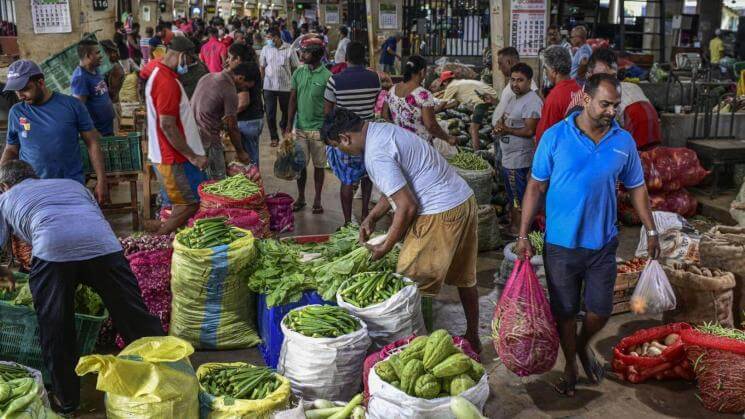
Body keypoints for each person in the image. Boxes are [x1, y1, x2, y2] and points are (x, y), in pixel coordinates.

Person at [516, 74, 660, 397]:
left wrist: (651, 229)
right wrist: (523, 235)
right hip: (561, 245)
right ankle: (570, 364)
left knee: (600, 310)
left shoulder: (623, 142)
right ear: (585, 98)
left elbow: (636, 187)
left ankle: (582, 347)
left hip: (602, 243)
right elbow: (536, 186)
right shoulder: (555, 138)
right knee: (565, 311)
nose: (611, 111)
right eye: (604, 103)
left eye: (615, 105)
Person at [0, 160, 164, 414]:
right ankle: (165, 378)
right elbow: (88, 219)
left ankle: (67, 401)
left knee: (56, 327)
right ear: (34, 175)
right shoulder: (71, 185)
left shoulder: (6, 197)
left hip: (52, 250)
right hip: (104, 246)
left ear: (4, 185)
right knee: (134, 315)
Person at [320, 108, 482, 353]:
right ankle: (473, 337)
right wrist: (372, 217)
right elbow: (395, 187)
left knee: (410, 284)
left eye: (338, 146)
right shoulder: (381, 130)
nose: (342, 152)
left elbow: (407, 207)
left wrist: (385, 246)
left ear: (345, 137)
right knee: (464, 277)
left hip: (439, 211)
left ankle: (421, 353)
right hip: (462, 201)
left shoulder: (375, 155)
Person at [2, 60, 107, 203]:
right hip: (31, 189)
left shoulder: (72, 105)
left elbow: (92, 142)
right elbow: (11, 149)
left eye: (25, 88)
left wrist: (102, 180)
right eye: (16, 90)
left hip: (70, 186)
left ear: (41, 82)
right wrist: (2, 176)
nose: (20, 95)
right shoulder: (16, 112)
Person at [143, 37, 208, 234]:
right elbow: (168, 125)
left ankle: (161, 235)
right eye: (189, 59)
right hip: (172, 157)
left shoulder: (159, 70)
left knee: (181, 204)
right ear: (182, 56)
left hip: (170, 155)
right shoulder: (166, 82)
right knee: (189, 204)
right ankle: (158, 241)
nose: (189, 65)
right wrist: (193, 156)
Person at [323, 41, 380, 225]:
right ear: (364, 58)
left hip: (345, 137)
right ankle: (365, 214)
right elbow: (374, 102)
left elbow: (327, 111)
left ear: (346, 58)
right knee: (367, 176)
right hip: (368, 134)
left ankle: (348, 221)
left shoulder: (335, 79)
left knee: (347, 179)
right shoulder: (374, 78)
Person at [493, 63, 542, 236]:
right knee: (513, 195)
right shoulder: (514, 98)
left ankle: (520, 232)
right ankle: (515, 227)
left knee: (518, 198)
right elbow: (508, 121)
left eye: (520, 80)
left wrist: (507, 130)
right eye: (513, 80)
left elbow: (530, 131)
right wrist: (500, 126)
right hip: (509, 157)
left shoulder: (532, 101)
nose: (515, 84)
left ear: (529, 81)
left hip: (519, 160)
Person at [284, 36, 331, 213]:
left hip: (319, 129)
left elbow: (330, 105)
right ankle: (301, 197)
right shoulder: (298, 73)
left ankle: (317, 199)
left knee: (319, 166)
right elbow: (292, 100)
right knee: (300, 166)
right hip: (301, 128)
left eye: (305, 52)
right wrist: (289, 124)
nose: (301, 54)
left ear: (316, 54)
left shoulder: (327, 76)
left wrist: (328, 129)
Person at [191, 62, 255, 180]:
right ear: (240, 78)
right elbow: (232, 127)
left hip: (192, 135)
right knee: (218, 180)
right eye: (245, 86)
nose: (244, 90)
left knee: (201, 179)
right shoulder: (229, 90)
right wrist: (240, 152)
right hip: (208, 139)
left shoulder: (208, 76)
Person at [586, 48, 661, 149]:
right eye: (603, 76)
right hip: (653, 126)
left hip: (636, 126)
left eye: (613, 76)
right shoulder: (631, 86)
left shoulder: (606, 93)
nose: (610, 81)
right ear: (589, 74)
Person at [382, 55, 457, 148]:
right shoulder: (423, 94)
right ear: (422, 72)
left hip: (400, 145)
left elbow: (384, 115)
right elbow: (431, 126)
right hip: (420, 147)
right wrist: (448, 138)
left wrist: (398, 130)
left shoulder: (392, 89)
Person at [535, 45, 583, 143]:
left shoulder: (555, 97)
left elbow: (544, 135)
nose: (546, 73)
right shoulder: (580, 90)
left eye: (546, 69)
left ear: (553, 71)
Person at [261, 27, 299, 147]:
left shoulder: (289, 48)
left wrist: (294, 84)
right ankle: (274, 137)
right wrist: (262, 84)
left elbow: (295, 67)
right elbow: (262, 67)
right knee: (270, 113)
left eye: (269, 38)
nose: (268, 40)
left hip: (286, 87)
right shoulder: (265, 49)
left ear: (276, 37)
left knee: (286, 111)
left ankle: (283, 125)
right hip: (269, 86)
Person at [439, 71, 498, 150]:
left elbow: (441, 106)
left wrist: (431, 111)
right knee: (473, 128)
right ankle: (478, 149)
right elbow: (456, 103)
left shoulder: (451, 86)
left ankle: (477, 154)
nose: (444, 86)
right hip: (490, 96)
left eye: (443, 84)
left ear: (445, 81)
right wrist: (444, 107)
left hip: (482, 100)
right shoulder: (459, 83)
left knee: (473, 129)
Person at [227, 43, 264, 166]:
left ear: (237, 58)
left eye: (229, 57)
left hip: (246, 121)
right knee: (253, 157)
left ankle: (253, 184)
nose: (227, 60)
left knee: (248, 162)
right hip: (256, 119)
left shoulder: (242, 72)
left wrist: (227, 116)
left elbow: (243, 102)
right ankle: (255, 182)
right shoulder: (252, 66)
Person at [71, 39, 116, 136]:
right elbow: (79, 110)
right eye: (97, 53)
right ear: (88, 56)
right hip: (98, 133)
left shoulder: (95, 69)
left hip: (107, 127)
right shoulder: (80, 78)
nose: (101, 55)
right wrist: (93, 132)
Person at [491, 47, 538, 125]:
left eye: (500, 64)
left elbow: (535, 102)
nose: (499, 68)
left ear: (509, 62)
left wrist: (509, 130)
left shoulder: (526, 83)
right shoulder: (512, 82)